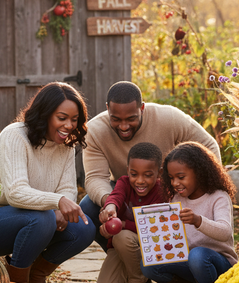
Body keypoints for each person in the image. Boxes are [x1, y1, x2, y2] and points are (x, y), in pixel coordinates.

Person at [0, 82, 96, 283]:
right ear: (45, 113)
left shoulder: (66, 144)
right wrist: (57, 202)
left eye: (74, 120)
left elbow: (67, 189)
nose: (69, 125)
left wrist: (60, 207)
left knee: (84, 228)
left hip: (36, 220)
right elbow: (15, 193)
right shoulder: (15, 136)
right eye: (62, 118)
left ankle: (36, 278)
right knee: (43, 218)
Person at [80, 81, 221, 251]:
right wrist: (111, 203)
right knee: (88, 207)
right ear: (107, 108)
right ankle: (123, 257)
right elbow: (95, 178)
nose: (123, 126)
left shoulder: (169, 118)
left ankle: (172, 263)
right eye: (116, 119)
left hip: (170, 191)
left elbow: (209, 146)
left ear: (142, 108)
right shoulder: (95, 131)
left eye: (131, 119)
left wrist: (196, 191)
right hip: (128, 192)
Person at [141, 142, 237, 283]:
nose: (175, 183)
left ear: (199, 173)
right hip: (193, 263)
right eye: (171, 178)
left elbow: (225, 232)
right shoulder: (178, 199)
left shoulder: (218, 197)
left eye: (181, 177)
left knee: (198, 254)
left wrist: (198, 220)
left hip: (220, 266)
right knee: (149, 263)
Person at [96, 142, 164, 283]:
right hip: (122, 248)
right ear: (128, 170)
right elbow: (116, 196)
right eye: (134, 174)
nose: (140, 181)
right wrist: (110, 208)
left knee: (121, 236)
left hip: (148, 245)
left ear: (159, 173)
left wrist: (124, 224)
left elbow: (152, 228)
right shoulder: (124, 182)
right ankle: (132, 276)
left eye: (148, 175)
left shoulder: (161, 192)